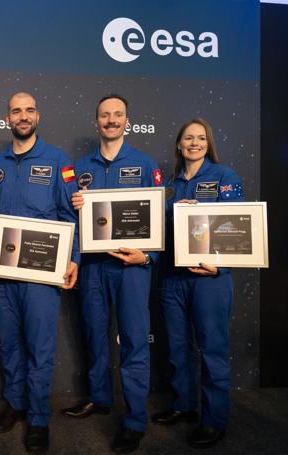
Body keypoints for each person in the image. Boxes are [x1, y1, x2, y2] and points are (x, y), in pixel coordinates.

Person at [62, 94, 163, 453]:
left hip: (130, 266)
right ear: (96, 122)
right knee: (94, 334)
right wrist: (75, 206)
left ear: (127, 120)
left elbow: (157, 216)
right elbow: (69, 220)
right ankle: (99, 397)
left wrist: (148, 255)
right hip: (92, 266)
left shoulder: (144, 163)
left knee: (134, 339)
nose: (111, 120)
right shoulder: (77, 168)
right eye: (105, 115)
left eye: (118, 114)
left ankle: (135, 420)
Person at [0, 91, 79, 453]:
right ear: (7, 118)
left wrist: (74, 258)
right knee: (10, 344)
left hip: (43, 273)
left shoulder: (58, 161)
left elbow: (70, 215)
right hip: (5, 274)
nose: (22, 116)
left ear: (37, 115)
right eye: (15, 111)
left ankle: (38, 417)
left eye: (28, 110)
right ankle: (15, 402)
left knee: (40, 348)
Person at [151, 118, 244, 449]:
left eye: (200, 138)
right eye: (188, 138)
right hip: (173, 278)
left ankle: (215, 420)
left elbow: (237, 228)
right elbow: (156, 228)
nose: (194, 143)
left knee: (212, 351)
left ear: (208, 143)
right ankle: (184, 405)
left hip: (208, 279)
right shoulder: (170, 185)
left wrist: (219, 266)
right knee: (177, 348)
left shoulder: (224, 177)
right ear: (179, 144)